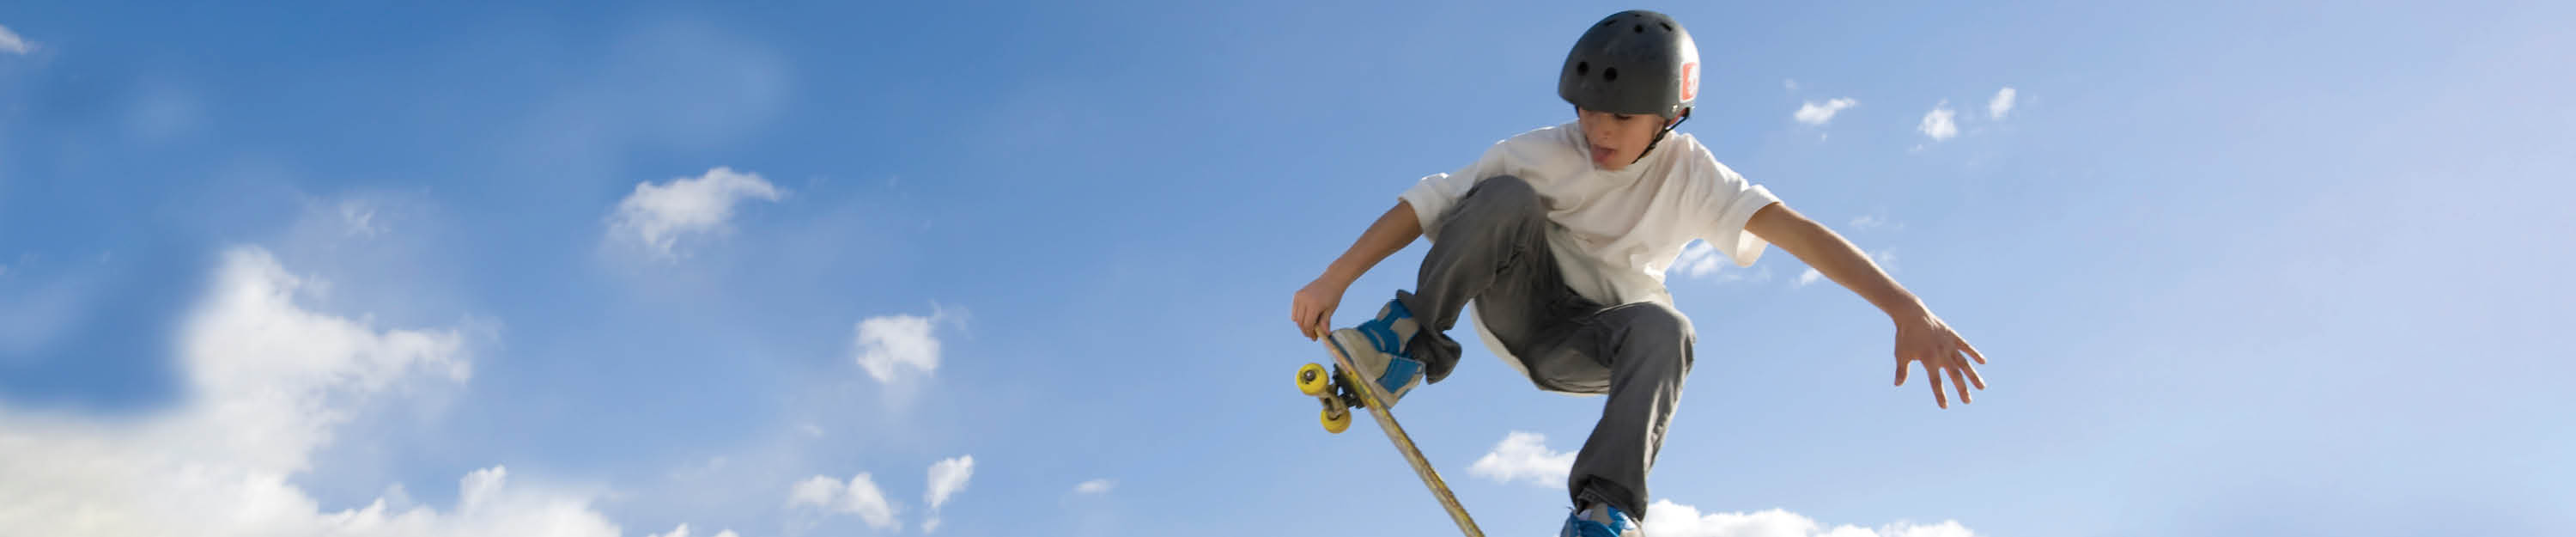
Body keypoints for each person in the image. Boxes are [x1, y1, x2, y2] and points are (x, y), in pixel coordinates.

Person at [1286, 9, 1990, 537]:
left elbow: (1796, 231)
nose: (1598, 131)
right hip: (1516, 303)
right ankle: (1404, 346)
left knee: (1667, 327)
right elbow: (1427, 201)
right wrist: (1335, 275)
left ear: (1671, 115)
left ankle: (1605, 510)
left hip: (1595, 342)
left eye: (1622, 117)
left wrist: (1904, 307)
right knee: (1501, 196)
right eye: (1589, 110)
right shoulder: (1539, 150)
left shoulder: (1695, 175)